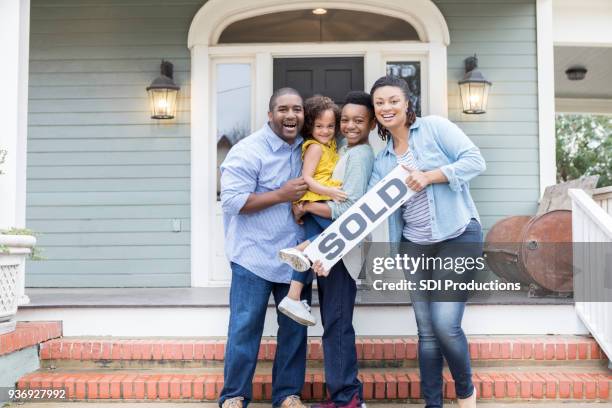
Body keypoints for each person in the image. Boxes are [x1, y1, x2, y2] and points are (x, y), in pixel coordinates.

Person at [366, 75, 486, 408]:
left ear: (407, 103)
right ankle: (432, 403)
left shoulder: (434, 128)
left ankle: (465, 392)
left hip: (458, 236)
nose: (387, 107)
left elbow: (475, 161)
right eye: (380, 103)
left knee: (446, 324)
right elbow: (368, 209)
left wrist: (430, 176)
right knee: (427, 332)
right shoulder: (383, 161)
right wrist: (322, 246)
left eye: (393, 100)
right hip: (414, 246)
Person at [218, 87, 310, 408]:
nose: (291, 115)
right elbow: (231, 201)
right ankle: (234, 395)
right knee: (245, 329)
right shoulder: (248, 151)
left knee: (294, 332)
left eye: (297, 109)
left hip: (295, 260)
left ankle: (287, 394)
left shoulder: (309, 149)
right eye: (283, 109)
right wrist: (282, 194)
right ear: (270, 115)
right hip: (253, 257)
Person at [296, 91, 377, 408]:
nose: (350, 125)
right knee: (334, 322)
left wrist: (308, 207)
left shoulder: (359, 155)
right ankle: (344, 394)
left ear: (371, 123)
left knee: (338, 323)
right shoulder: (345, 150)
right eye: (346, 120)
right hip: (332, 250)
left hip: (342, 252)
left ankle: (347, 399)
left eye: (359, 120)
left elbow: (350, 210)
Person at [277, 95, 347, 326]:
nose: (325, 131)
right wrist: (332, 192)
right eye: (319, 126)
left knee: (317, 247)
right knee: (341, 233)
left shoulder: (330, 145)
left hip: (317, 201)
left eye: (330, 126)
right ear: (310, 126)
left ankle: (293, 296)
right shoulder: (315, 147)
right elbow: (307, 178)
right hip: (316, 199)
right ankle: (299, 248)